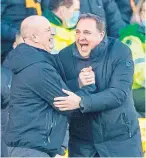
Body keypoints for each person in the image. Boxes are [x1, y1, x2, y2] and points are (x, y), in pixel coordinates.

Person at [3, 15, 96, 157]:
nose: (53, 33)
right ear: (34, 37)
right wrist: (88, 93)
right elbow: (65, 103)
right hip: (32, 151)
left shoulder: (27, 61)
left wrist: (78, 83)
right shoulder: (37, 66)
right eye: (48, 30)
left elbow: (50, 91)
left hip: (28, 148)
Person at [54, 13, 143, 157]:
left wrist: (82, 102)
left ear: (101, 35)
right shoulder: (64, 56)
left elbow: (119, 93)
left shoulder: (120, 51)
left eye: (87, 32)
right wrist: (78, 83)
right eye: (78, 32)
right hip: (82, 142)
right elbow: (57, 91)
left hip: (120, 139)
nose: (81, 37)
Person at [119, 0, 145, 117]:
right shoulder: (131, 36)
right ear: (138, 13)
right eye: (145, 11)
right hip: (133, 90)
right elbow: (139, 73)